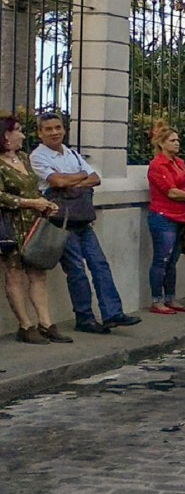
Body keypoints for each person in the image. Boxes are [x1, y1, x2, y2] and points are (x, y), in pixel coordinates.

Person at [30, 112, 141, 333]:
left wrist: (71, 182)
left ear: (64, 129)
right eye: (49, 129)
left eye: (58, 127)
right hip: (61, 222)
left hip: (82, 218)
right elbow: (57, 181)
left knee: (99, 265)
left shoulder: (71, 153)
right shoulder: (38, 157)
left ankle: (112, 313)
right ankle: (85, 318)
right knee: (76, 270)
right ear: (40, 133)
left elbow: (95, 178)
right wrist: (79, 178)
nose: (54, 132)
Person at [0, 117, 71, 344]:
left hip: (33, 223)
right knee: (14, 274)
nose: (22, 135)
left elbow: (34, 187)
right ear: (5, 136)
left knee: (38, 273)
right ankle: (25, 324)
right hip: (10, 225)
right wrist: (30, 203)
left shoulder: (23, 158)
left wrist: (44, 202)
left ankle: (46, 322)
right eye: (18, 131)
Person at [146, 123, 185, 315]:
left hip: (181, 216)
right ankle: (157, 299)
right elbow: (171, 192)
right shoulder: (158, 165)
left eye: (177, 140)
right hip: (163, 216)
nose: (177, 143)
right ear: (162, 143)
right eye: (172, 140)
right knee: (162, 258)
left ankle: (170, 297)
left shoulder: (179, 163)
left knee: (172, 260)